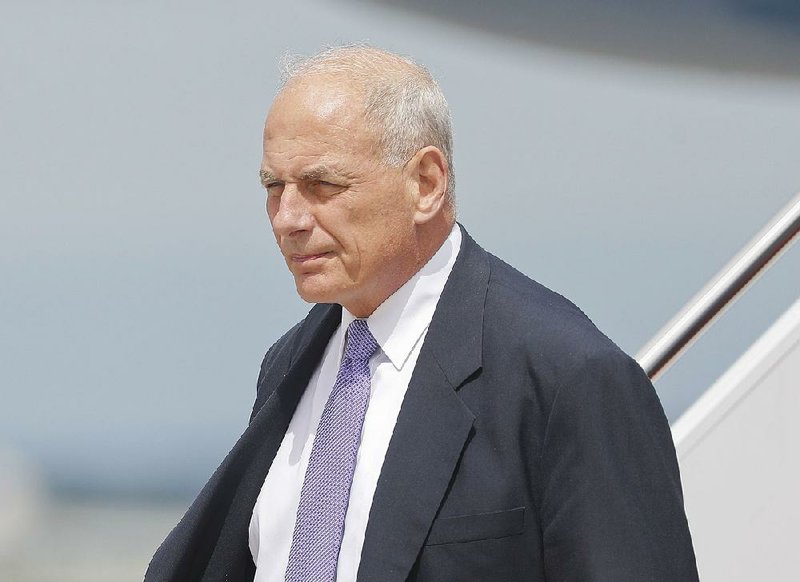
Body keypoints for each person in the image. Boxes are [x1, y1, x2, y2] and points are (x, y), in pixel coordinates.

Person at [146, 45, 698, 582]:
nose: (287, 218)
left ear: (426, 184)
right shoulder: (290, 362)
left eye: (322, 185)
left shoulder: (567, 377)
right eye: (274, 187)